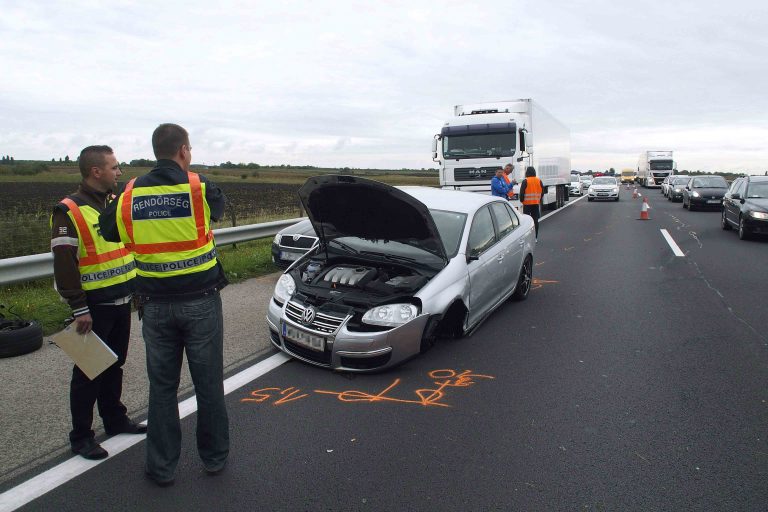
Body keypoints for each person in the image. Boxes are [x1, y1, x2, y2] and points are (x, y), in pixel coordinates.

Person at [99, 124, 229, 487]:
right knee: (208, 385)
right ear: (184, 150)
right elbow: (217, 211)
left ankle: (161, 467)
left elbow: (108, 231)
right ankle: (215, 459)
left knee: (162, 389)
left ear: (155, 151)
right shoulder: (199, 185)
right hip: (200, 302)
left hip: (154, 306)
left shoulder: (129, 193)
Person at [50, 145, 144, 460]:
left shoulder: (114, 204)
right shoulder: (69, 210)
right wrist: (79, 309)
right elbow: (63, 264)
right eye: (114, 167)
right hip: (93, 308)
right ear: (96, 171)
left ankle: (115, 419)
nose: (119, 172)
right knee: (89, 372)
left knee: (115, 365)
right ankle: (81, 437)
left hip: (121, 300)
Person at [519, 166, 544, 241]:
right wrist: (538, 199)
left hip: (527, 204)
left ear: (527, 172)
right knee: (535, 220)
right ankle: (535, 237)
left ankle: (527, 238)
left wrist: (522, 201)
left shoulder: (525, 181)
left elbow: (522, 193)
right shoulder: (539, 180)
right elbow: (542, 192)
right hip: (536, 203)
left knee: (526, 221)